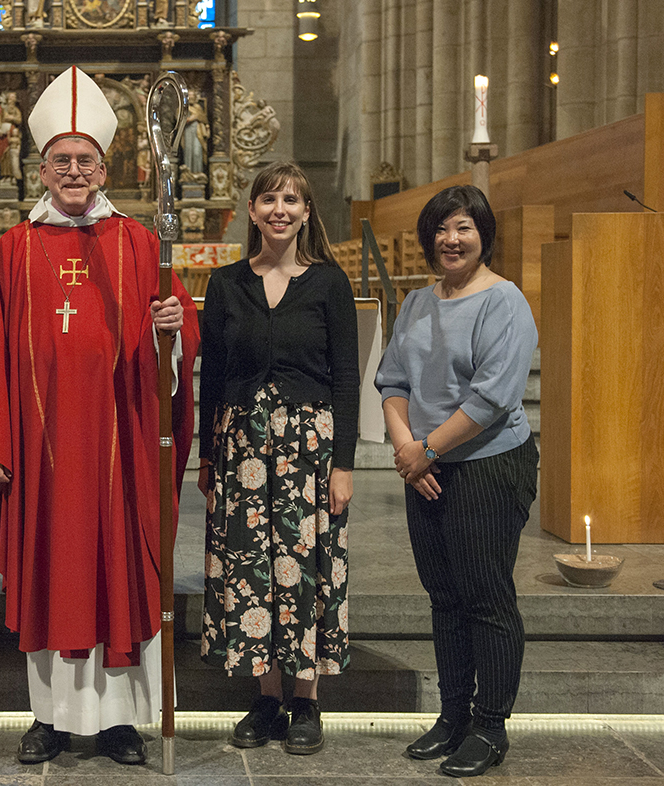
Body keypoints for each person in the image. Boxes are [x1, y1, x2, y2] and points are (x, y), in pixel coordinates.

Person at [0, 66, 200, 766]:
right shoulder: (14, 248)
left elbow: (172, 352)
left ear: (104, 164)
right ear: (40, 167)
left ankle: (119, 722)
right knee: (49, 571)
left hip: (118, 447)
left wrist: (173, 331)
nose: (72, 171)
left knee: (118, 567)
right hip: (40, 450)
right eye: (60, 160)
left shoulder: (139, 242)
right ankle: (48, 718)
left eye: (84, 160)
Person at [375, 185, 538, 778]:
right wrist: (406, 450)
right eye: (442, 229)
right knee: (443, 597)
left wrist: (426, 450)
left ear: (483, 234)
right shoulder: (418, 302)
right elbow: (392, 380)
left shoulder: (505, 302)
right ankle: (453, 715)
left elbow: (493, 396)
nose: (451, 239)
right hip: (425, 466)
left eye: (464, 227)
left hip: (489, 464)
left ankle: (490, 725)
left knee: (485, 596)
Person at [197, 161, 358, 756]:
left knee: (306, 564)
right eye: (269, 199)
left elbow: (346, 378)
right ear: (253, 211)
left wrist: (344, 464)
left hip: (309, 451)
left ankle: (307, 699)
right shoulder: (227, 283)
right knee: (252, 567)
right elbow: (210, 375)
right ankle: (267, 696)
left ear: (307, 211)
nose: (280, 210)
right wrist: (206, 458)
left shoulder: (329, 284)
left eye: (291, 199)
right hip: (241, 447)